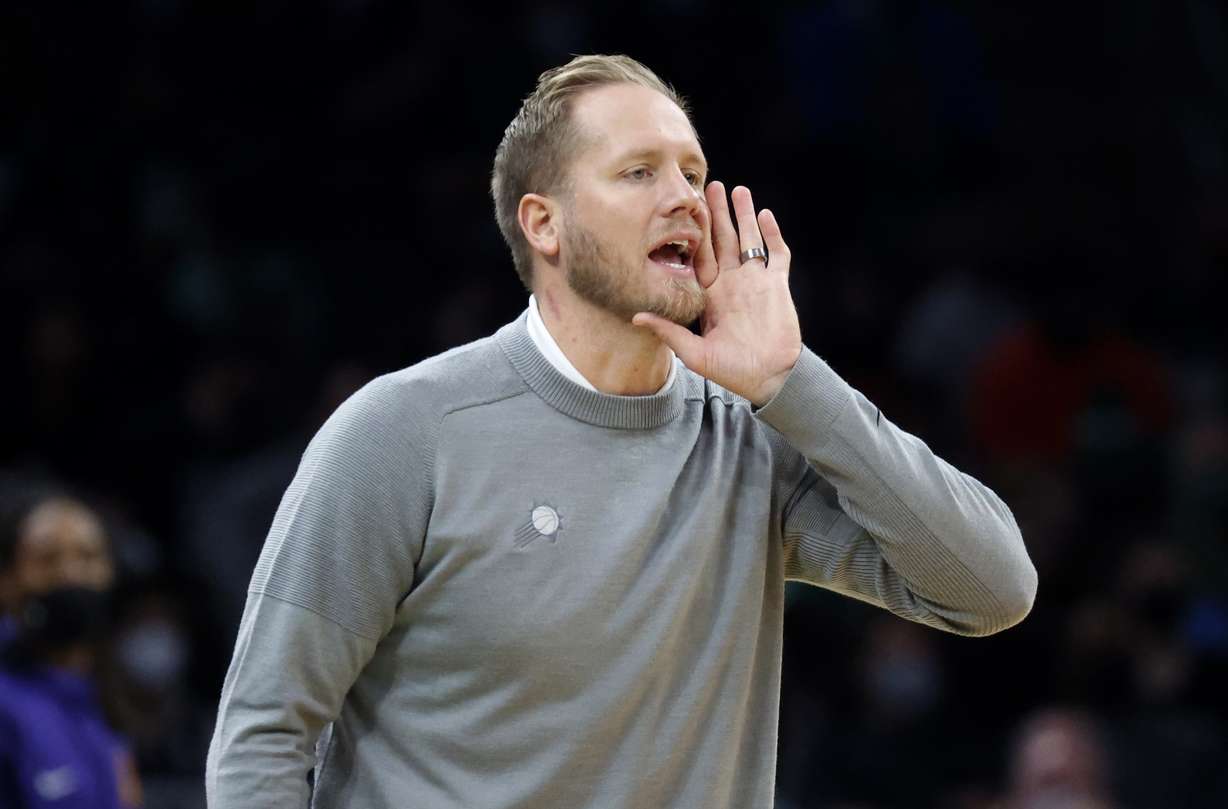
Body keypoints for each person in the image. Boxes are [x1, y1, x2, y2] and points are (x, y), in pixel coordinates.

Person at [206, 54, 1037, 808]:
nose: (682, 196)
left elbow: (992, 588)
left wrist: (793, 383)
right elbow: (264, 735)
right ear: (544, 224)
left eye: (693, 172)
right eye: (638, 172)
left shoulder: (753, 437)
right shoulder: (403, 432)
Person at [0, 484, 142, 808]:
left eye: (88, 556)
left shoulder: (103, 691)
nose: (71, 574)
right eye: (47, 559)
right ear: (7, 579)